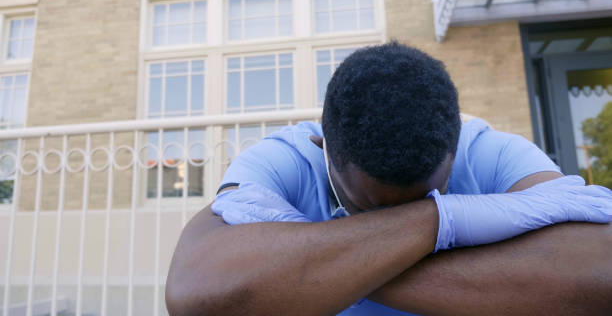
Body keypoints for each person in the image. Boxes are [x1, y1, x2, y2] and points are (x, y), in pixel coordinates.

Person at [165, 42, 612, 316]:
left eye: (428, 196)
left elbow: (599, 274)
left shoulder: (490, 149)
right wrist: (442, 219)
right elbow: (197, 292)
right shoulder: (283, 159)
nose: (394, 224)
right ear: (323, 146)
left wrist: (318, 269)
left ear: (455, 149)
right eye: (370, 209)